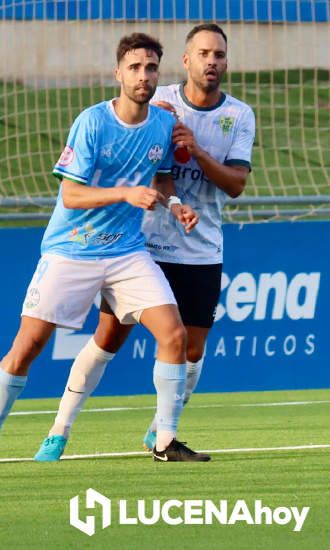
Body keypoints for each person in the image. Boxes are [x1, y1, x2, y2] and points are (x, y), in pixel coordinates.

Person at [0, 32, 210, 466]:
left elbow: (162, 177)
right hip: (71, 249)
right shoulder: (92, 122)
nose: (143, 76)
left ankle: (164, 442)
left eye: (150, 68)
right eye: (134, 68)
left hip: (126, 251)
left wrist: (176, 204)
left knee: (174, 334)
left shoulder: (162, 125)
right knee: (27, 345)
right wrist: (126, 194)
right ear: (118, 73)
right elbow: (71, 196)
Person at [33, 23, 255, 459]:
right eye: (203, 53)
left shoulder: (239, 115)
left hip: (203, 248)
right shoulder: (159, 101)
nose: (212, 61)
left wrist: (198, 151)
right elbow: (149, 166)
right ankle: (59, 429)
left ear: (226, 63)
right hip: (143, 245)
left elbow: (236, 184)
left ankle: (161, 433)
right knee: (108, 336)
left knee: (191, 349)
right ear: (186, 60)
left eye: (219, 55)